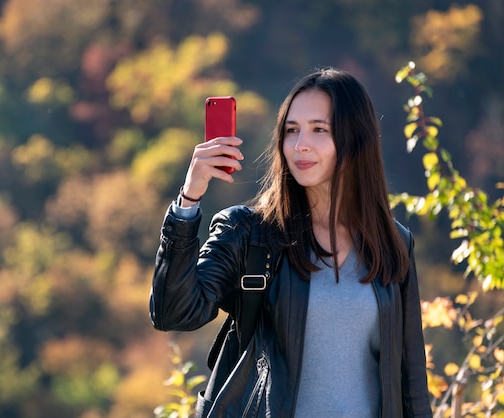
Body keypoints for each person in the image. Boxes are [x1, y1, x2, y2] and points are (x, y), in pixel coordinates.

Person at [150, 68, 432, 417]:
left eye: (319, 130)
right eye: (291, 130)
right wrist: (188, 201)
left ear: (354, 139)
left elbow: (412, 381)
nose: (300, 145)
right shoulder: (250, 234)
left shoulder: (393, 241)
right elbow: (173, 312)